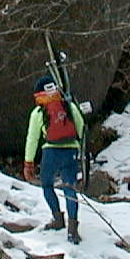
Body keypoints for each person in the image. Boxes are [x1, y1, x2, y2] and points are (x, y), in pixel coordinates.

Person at [22, 75, 86, 244]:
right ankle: (73, 229)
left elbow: (32, 138)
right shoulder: (69, 106)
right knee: (69, 187)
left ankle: (57, 218)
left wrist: (28, 163)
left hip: (50, 151)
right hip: (70, 150)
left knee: (47, 185)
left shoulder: (38, 112)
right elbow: (81, 128)